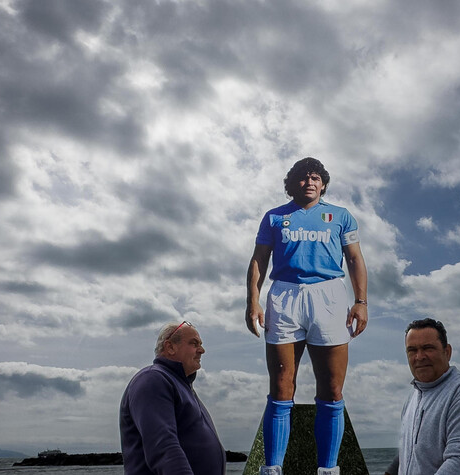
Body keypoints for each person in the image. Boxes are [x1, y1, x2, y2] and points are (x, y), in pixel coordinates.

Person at [245, 157, 369, 475]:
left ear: (323, 183)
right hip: (285, 295)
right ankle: (272, 469)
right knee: (282, 385)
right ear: (293, 184)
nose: (309, 182)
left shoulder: (340, 216)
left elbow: (354, 259)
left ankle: (327, 469)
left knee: (331, 387)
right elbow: (259, 258)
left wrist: (361, 302)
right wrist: (253, 302)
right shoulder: (274, 217)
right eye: (303, 177)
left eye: (315, 177)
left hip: (328, 294)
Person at [386, 318, 460, 475]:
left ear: (447, 352)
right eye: (412, 350)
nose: (419, 357)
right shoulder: (412, 398)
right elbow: (413, 453)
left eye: (428, 348)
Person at [119, 321, 226, 475]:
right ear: (170, 347)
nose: (202, 350)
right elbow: (163, 447)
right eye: (194, 343)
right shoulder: (153, 379)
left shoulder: (182, 386)